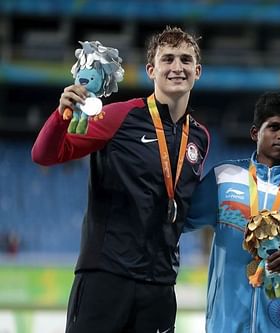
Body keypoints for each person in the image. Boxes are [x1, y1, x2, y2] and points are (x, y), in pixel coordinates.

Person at [31, 26, 209, 333]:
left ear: (198, 70)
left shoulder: (200, 137)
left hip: (160, 286)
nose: (177, 67)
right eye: (168, 59)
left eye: (185, 59)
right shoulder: (119, 117)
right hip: (107, 278)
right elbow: (45, 155)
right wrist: (61, 115)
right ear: (151, 69)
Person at [185, 91, 280, 332]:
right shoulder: (224, 177)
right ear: (255, 132)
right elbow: (181, 220)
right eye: (274, 127)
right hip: (226, 324)